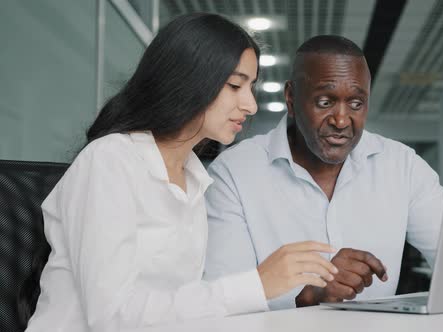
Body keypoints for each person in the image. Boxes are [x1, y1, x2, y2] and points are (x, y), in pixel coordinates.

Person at [20, 14, 339, 332]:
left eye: (251, 86)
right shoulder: (109, 161)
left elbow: (181, 306)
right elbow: (112, 317)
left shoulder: (193, 178)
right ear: (189, 79)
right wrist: (256, 285)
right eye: (234, 85)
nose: (250, 104)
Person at [204, 35, 443, 309]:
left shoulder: (403, 166)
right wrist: (306, 301)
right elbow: (224, 306)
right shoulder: (234, 172)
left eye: (356, 104)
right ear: (291, 98)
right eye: (324, 102)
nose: (341, 120)